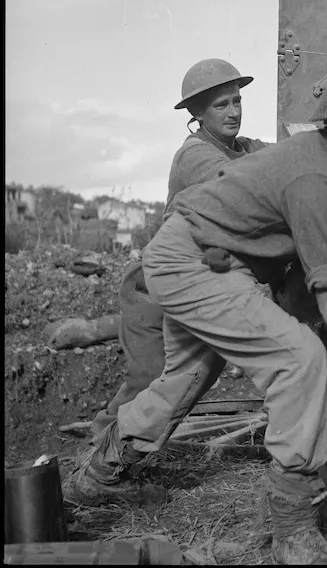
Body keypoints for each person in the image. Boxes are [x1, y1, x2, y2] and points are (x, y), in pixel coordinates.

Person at [64, 61, 327, 565]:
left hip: (205, 255)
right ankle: (292, 524)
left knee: (187, 377)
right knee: (301, 359)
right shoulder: (314, 178)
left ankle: (94, 475)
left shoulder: (313, 162)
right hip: (195, 261)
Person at [90, 58, 269, 437]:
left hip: (191, 279)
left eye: (237, 101)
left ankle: (119, 455)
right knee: (148, 382)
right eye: (221, 105)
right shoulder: (195, 155)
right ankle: (97, 458)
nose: (234, 111)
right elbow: (244, 185)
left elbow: (283, 158)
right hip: (151, 288)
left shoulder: (246, 148)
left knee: (182, 379)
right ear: (197, 112)